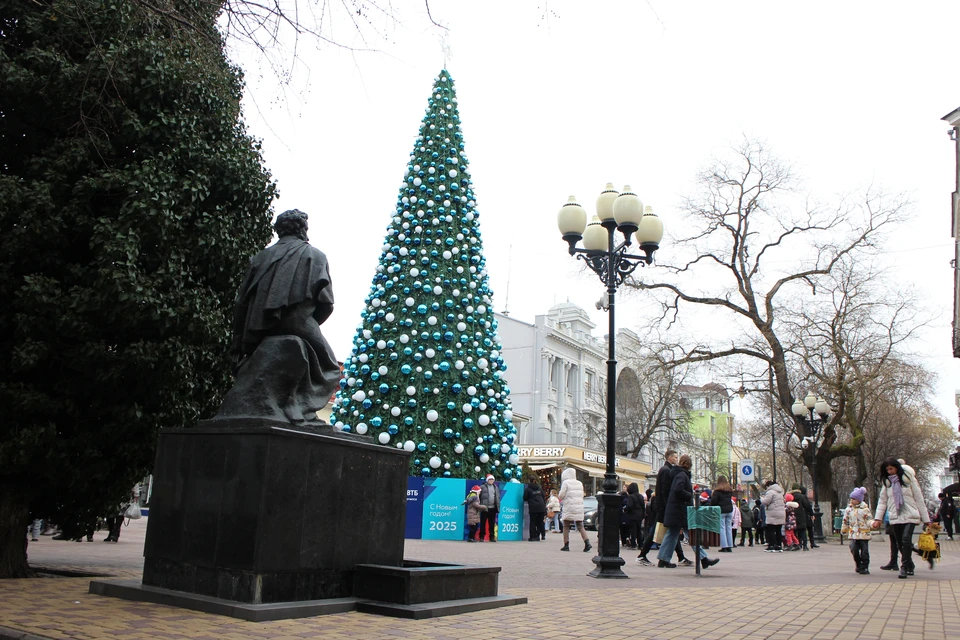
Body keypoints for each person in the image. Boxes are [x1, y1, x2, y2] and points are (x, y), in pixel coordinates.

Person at [220, 209, 341, 423]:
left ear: (279, 230)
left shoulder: (260, 257)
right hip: (299, 321)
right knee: (330, 366)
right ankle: (298, 406)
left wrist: (240, 339)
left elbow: (241, 302)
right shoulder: (316, 256)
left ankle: (291, 404)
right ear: (303, 229)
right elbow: (326, 303)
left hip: (258, 326)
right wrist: (309, 324)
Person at [871, 457, 930, 579]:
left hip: (910, 515)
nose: (889, 471)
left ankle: (903, 567)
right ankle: (909, 564)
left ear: (897, 468)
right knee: (899, 543)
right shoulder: (887, 483)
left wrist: (926, 519)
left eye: (891, 468)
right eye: (887, 469)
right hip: (895, 516)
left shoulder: (909, 480)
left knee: (906, 540)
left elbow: (919, 499)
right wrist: (878, 519)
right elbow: (882, 501)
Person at [657, 454, 719, 570]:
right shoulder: (682, 475)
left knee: (673, 534)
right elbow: (678, 490)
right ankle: (703, 559)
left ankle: (664, 559)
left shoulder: (677, 473)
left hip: (676, 510)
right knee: (691, 534)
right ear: (689, 465)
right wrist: (690, 495)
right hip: (680, 511)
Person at [636, 450, 690, 567]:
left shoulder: (665, 470)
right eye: (675, 457)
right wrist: (667, 507)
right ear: (669, 458)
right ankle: (642, 555)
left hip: (663, 506)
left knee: (671, 532)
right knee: (660, 531)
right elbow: (665, 490)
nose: (677, 459)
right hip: (663, 507)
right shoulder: (666, 471)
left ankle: (680, 556)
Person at [557, 467, 592, 552]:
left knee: (566, 525)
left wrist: (560, 497)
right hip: (579, 507)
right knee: (580, 526)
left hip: (569, 506)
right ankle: (587, 542)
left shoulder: (565, 483)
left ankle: (566, 545)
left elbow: (561, 495)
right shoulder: (579, 483)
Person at [842, 486, 872, 574]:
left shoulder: (865, 510)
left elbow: (869, 519)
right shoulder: (849, 510)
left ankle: (865, 566)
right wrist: (844, 529)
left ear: (859, 499)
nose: (852, 500)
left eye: (854, 499)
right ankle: (858, 564)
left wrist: (872, 524)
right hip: (854, 533)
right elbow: (845, 521)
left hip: (864, 533)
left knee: (864, 551)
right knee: (854, 549)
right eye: (851, 498)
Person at [709, 476, 736, 552]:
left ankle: (724, 546)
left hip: (721, 510)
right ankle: (730, 546)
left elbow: (714, 501)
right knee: (729, 527)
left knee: (722, 528)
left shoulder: (717, 491)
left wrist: (711, 507)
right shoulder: (729, 490)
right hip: (729, 510)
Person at [761, 479, 786, 552]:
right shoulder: (780, 492)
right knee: (778, 530)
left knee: (770, 530)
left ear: (768, 486)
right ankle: (778, 545)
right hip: (781, 513)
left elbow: (766, 502)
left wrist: (762, 499)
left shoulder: (770, 492)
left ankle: (771, 545)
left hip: (773, 513)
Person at [790, 483, 813, 550]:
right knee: (802, 530)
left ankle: (797, 544)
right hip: (801, 515)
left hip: (792, 515)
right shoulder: (802, 496)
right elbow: (807, 506)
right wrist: (811, 514)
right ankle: (805, 546)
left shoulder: (790, 496)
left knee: (794, 530)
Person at [478, 474, 501, 542]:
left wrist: (498, 506)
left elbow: (497, 497)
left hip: (493, 508)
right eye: (490, 479)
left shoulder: (496, 487)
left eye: (492, 479)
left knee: (492, 523)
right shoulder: (482, 487)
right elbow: (478, 497)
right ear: (487, 480)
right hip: (485, 508)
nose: (491, 481)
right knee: (483, 523)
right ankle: (481, 536)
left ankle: (492, 537)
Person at [624, 483, 645, 549]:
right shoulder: (641, 496)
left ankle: (633, 544)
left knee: (633, 531)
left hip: (633, 515)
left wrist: (626, 510)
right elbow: (643, 507)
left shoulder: (631, 496)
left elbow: (630, 506)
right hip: (639, 515)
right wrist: (643, 514)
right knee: (639, 531)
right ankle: (640, 544)